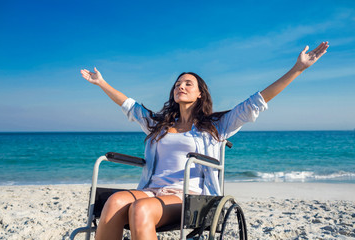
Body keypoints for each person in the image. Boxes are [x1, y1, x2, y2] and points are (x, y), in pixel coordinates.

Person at [80, 42, 329, 240]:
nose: (181, 86)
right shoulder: (159, 126)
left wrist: (297, 69)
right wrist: (101, 82)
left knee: (141, 209)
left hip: (189, 197)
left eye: (188, 83)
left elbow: (256, 102)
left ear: (200, 93)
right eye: (178, 84)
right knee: (113, 201)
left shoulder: (215, 126)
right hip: (150, 191)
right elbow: (130, 106)